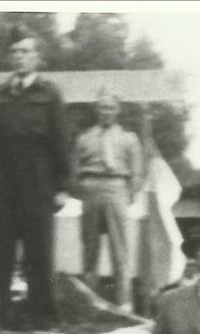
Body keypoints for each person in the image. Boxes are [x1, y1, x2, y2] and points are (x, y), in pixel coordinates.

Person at [0, 25, 71, 325]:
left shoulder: (49, 94)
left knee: (39, 251)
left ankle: (43, 316)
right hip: (4, 181)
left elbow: (61, 141)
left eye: (25, 51)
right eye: (15, 52)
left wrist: (62, 186)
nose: (20, 56)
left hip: (39, 179)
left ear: (37, 57)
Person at [71, 90, 144, 310]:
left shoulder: (129, 138)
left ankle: (124, 303)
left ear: (117, 110)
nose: (106, 112)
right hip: (91, 187)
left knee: (120, 249)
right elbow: (74, 170)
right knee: (89, 249)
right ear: (96, 110)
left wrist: (128, 195)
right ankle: (91, 304)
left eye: (110, 108)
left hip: (117, 186)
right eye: (102, 107)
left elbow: (137, 173)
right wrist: (83, 191)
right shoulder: (84, 138)